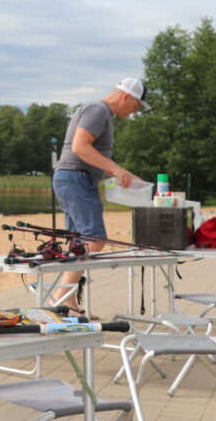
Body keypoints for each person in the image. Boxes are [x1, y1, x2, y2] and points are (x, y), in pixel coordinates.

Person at [49, 78, 149, 315]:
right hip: (76, 178)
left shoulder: (100, 112)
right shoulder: (98, 110)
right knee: (94, 239)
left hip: (73, 178)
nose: (134, 112)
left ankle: (68, 302)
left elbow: (90, 153)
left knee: (79, 242)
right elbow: (80, 147)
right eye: (136, 106)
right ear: (126, 97)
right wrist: (117, 170)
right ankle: (59, 299)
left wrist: (123, 174)